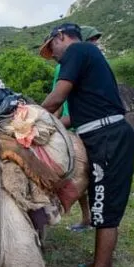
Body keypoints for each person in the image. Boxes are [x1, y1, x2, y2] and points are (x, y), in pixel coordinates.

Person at [39, 23, 134, 267]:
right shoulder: (86, 60)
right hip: (102, 134)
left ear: (61, 37)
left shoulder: (78, 50)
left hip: (108, 138)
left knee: (105, 209)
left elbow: (57, 98)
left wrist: (30, 116)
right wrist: (50, 125)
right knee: (99, 202)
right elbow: (72, 117)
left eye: (52, 48)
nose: (54, 56)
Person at [50, 26, 103, 233]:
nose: (94, 45)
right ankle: (88, 217)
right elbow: (58, 99)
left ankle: (93, 218)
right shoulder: (67, 64)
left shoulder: (91, 62)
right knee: (80, 170)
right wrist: (51, 122)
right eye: (92, 41)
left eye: (95, 42)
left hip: (85, 125)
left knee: (85, 172)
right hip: (75, 125)